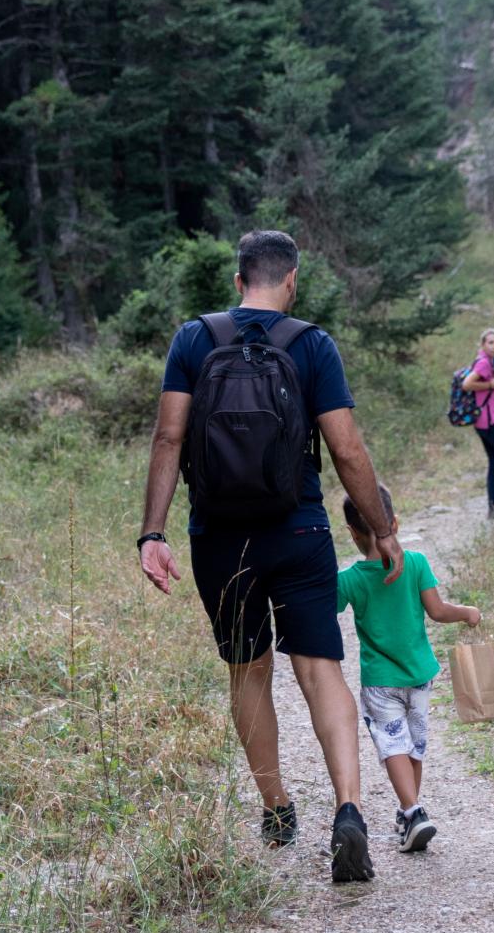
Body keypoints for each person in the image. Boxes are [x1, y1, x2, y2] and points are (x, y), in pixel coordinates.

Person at [139, 229, 403, 884]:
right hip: (301, 532)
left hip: (220, 537)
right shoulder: (311, 344)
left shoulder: (193, 339)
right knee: (320, 669)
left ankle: (278, 808)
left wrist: (152, 532)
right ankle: (348, 807)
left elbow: (169, 435)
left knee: (248, 670)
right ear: (291, 280)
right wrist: (382, 528)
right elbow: (346, 450)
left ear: (237, 281)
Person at [337, 484, 480, 853]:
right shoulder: (416, 563)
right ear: (394, 523)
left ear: (352, 533)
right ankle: (410, 815)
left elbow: (328, 607)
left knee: (392, 747)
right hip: (419, 675)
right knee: (413, 747)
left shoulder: (350, 579)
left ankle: (413, 811)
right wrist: (467, 613)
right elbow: (438, 611)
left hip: (381, 682)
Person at [461, 328, 494, 517]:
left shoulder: (489, 362)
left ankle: (493, 506)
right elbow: (467, 384)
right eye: (490, 342)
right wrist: (490, 384)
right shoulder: (484, 363)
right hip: (488, 421)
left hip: (484, 420)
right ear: (483, 344)